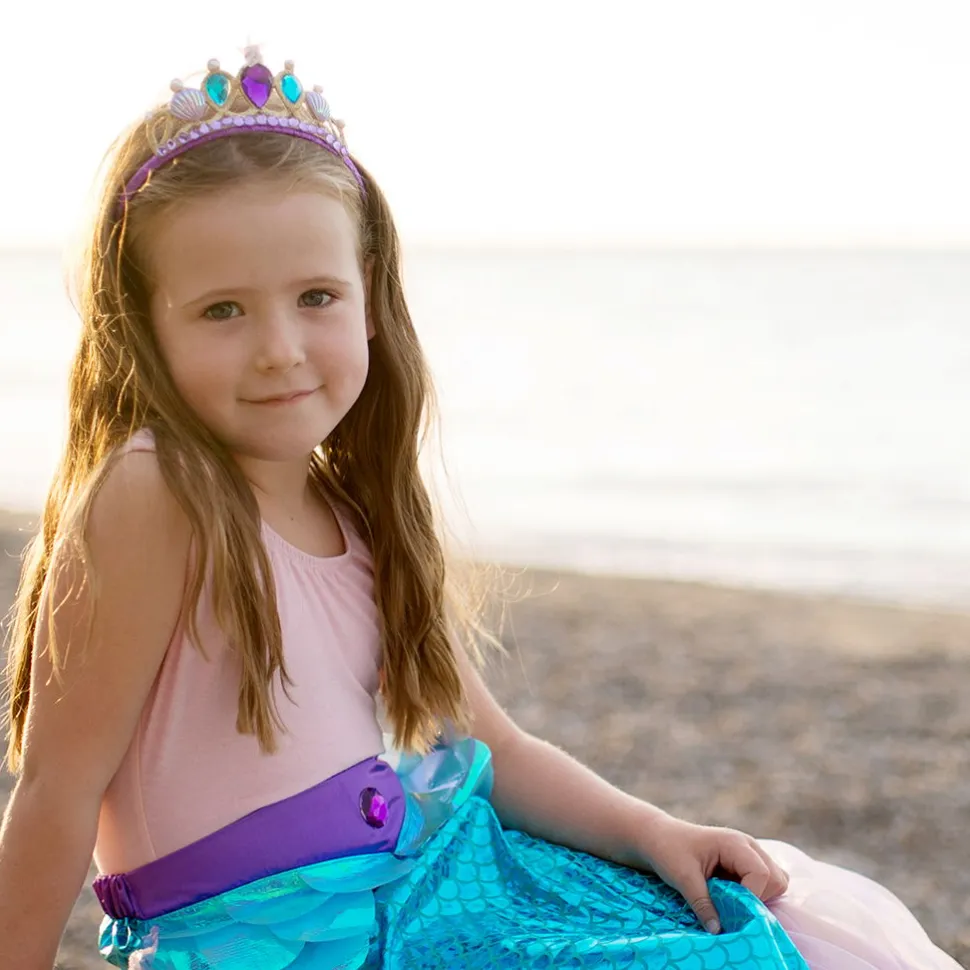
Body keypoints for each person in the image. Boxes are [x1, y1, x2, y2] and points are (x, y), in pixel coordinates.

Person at [0, 45, 958, 970]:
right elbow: (55, 792)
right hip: (285, 946)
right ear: (141, 328)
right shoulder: (157, 492)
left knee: (747, 935)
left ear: (371, 300)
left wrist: (651, 829)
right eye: (223, 310)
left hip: (423, 898)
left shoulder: (356, 517)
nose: (280, 347)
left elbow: (491, 745)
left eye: (317, 297)